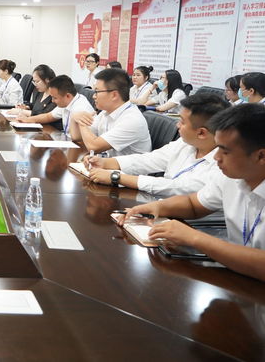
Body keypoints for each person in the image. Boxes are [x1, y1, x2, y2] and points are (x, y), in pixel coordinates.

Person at [120, 103, 265, 282]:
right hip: (236, 274)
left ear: (261, 156)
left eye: (225, 151)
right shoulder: (231, 177)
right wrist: (157, 207)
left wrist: (194, 238)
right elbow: (193, 204)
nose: (216, 157)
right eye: (217, 148)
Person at [84, 93, 230, 196]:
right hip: (160, 204)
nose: (177, 125)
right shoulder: (185, 143)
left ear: (202, 133)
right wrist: (106, 162)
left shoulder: (224, 162)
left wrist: (116, 177)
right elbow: (150, 159)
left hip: (191, 221)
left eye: (182, 122)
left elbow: (176, 187)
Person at [70, 68, 152, 156]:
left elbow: (93, 147)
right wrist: (74, 117)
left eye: (97, 91)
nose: (94, 96)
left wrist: (82, 122)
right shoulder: (105, 112)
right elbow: (77, 137)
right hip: (106, 163)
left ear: (114, 95)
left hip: (126, 165)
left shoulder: (132, 120)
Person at [24, 75, 94, 131]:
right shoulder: (67, 102)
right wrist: (27, 120)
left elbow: (82, 140)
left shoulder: (80, 108)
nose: (52, 101)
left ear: (68, 96)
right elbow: (48, 116)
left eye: (55, 98)